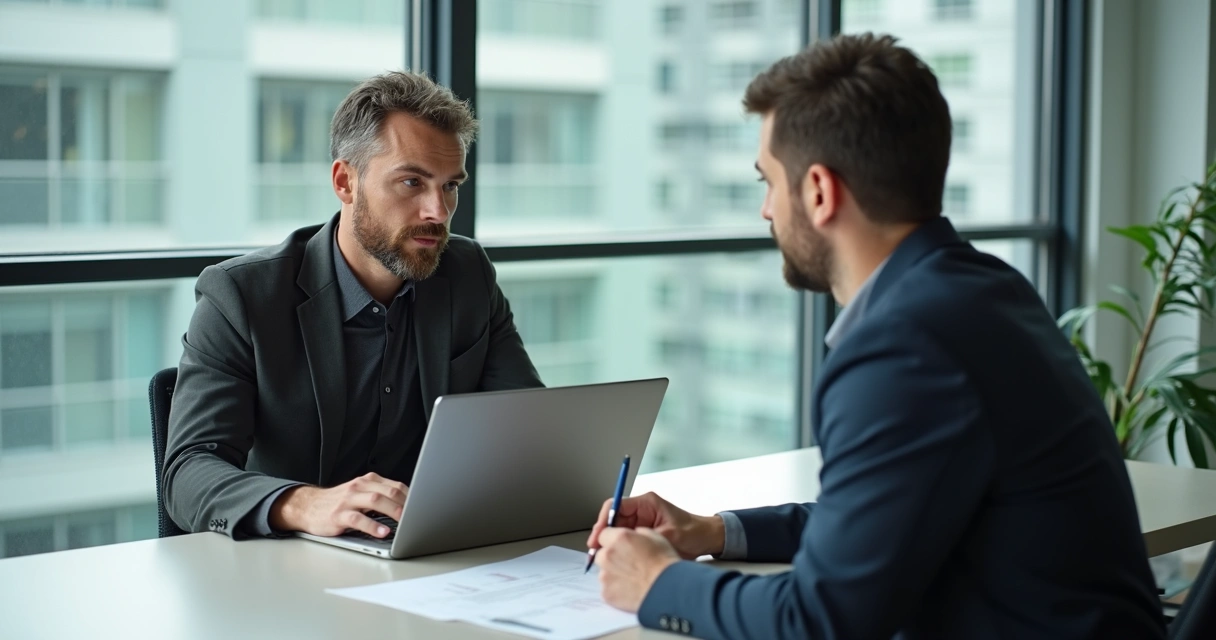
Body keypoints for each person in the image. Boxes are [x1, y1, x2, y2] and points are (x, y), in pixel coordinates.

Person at [587, 34, 1165, 639]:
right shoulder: (984, 289)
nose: (765, 211)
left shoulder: (904, 343)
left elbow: (821, 621)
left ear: (818, 191)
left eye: (768, 183)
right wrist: (712, 530)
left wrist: (658, 584)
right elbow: (881, 518)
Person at [163, 71, 542, 541]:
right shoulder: (240, 296)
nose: (438, 212)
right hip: (290, 572)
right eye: (411, 182)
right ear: (346, 181)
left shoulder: (467, 274)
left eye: (449, 186)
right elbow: (187, 472)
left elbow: (530, 431)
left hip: (433, 558)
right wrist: (304, 503)